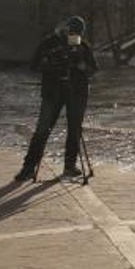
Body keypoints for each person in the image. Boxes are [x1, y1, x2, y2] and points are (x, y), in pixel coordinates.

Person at [14, 16, 99, 181]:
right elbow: (34, 66)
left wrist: (82, 66)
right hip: (53, 91)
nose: (73, 36)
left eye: (77, 33)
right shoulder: (49, 44)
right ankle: (29, 167)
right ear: (65, 29)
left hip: (77, 92)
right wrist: (51, 64)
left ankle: (70, 166)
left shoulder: (83, 46)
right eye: (71, 32)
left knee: (75, 129)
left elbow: (94, 69)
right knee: (43, 128)